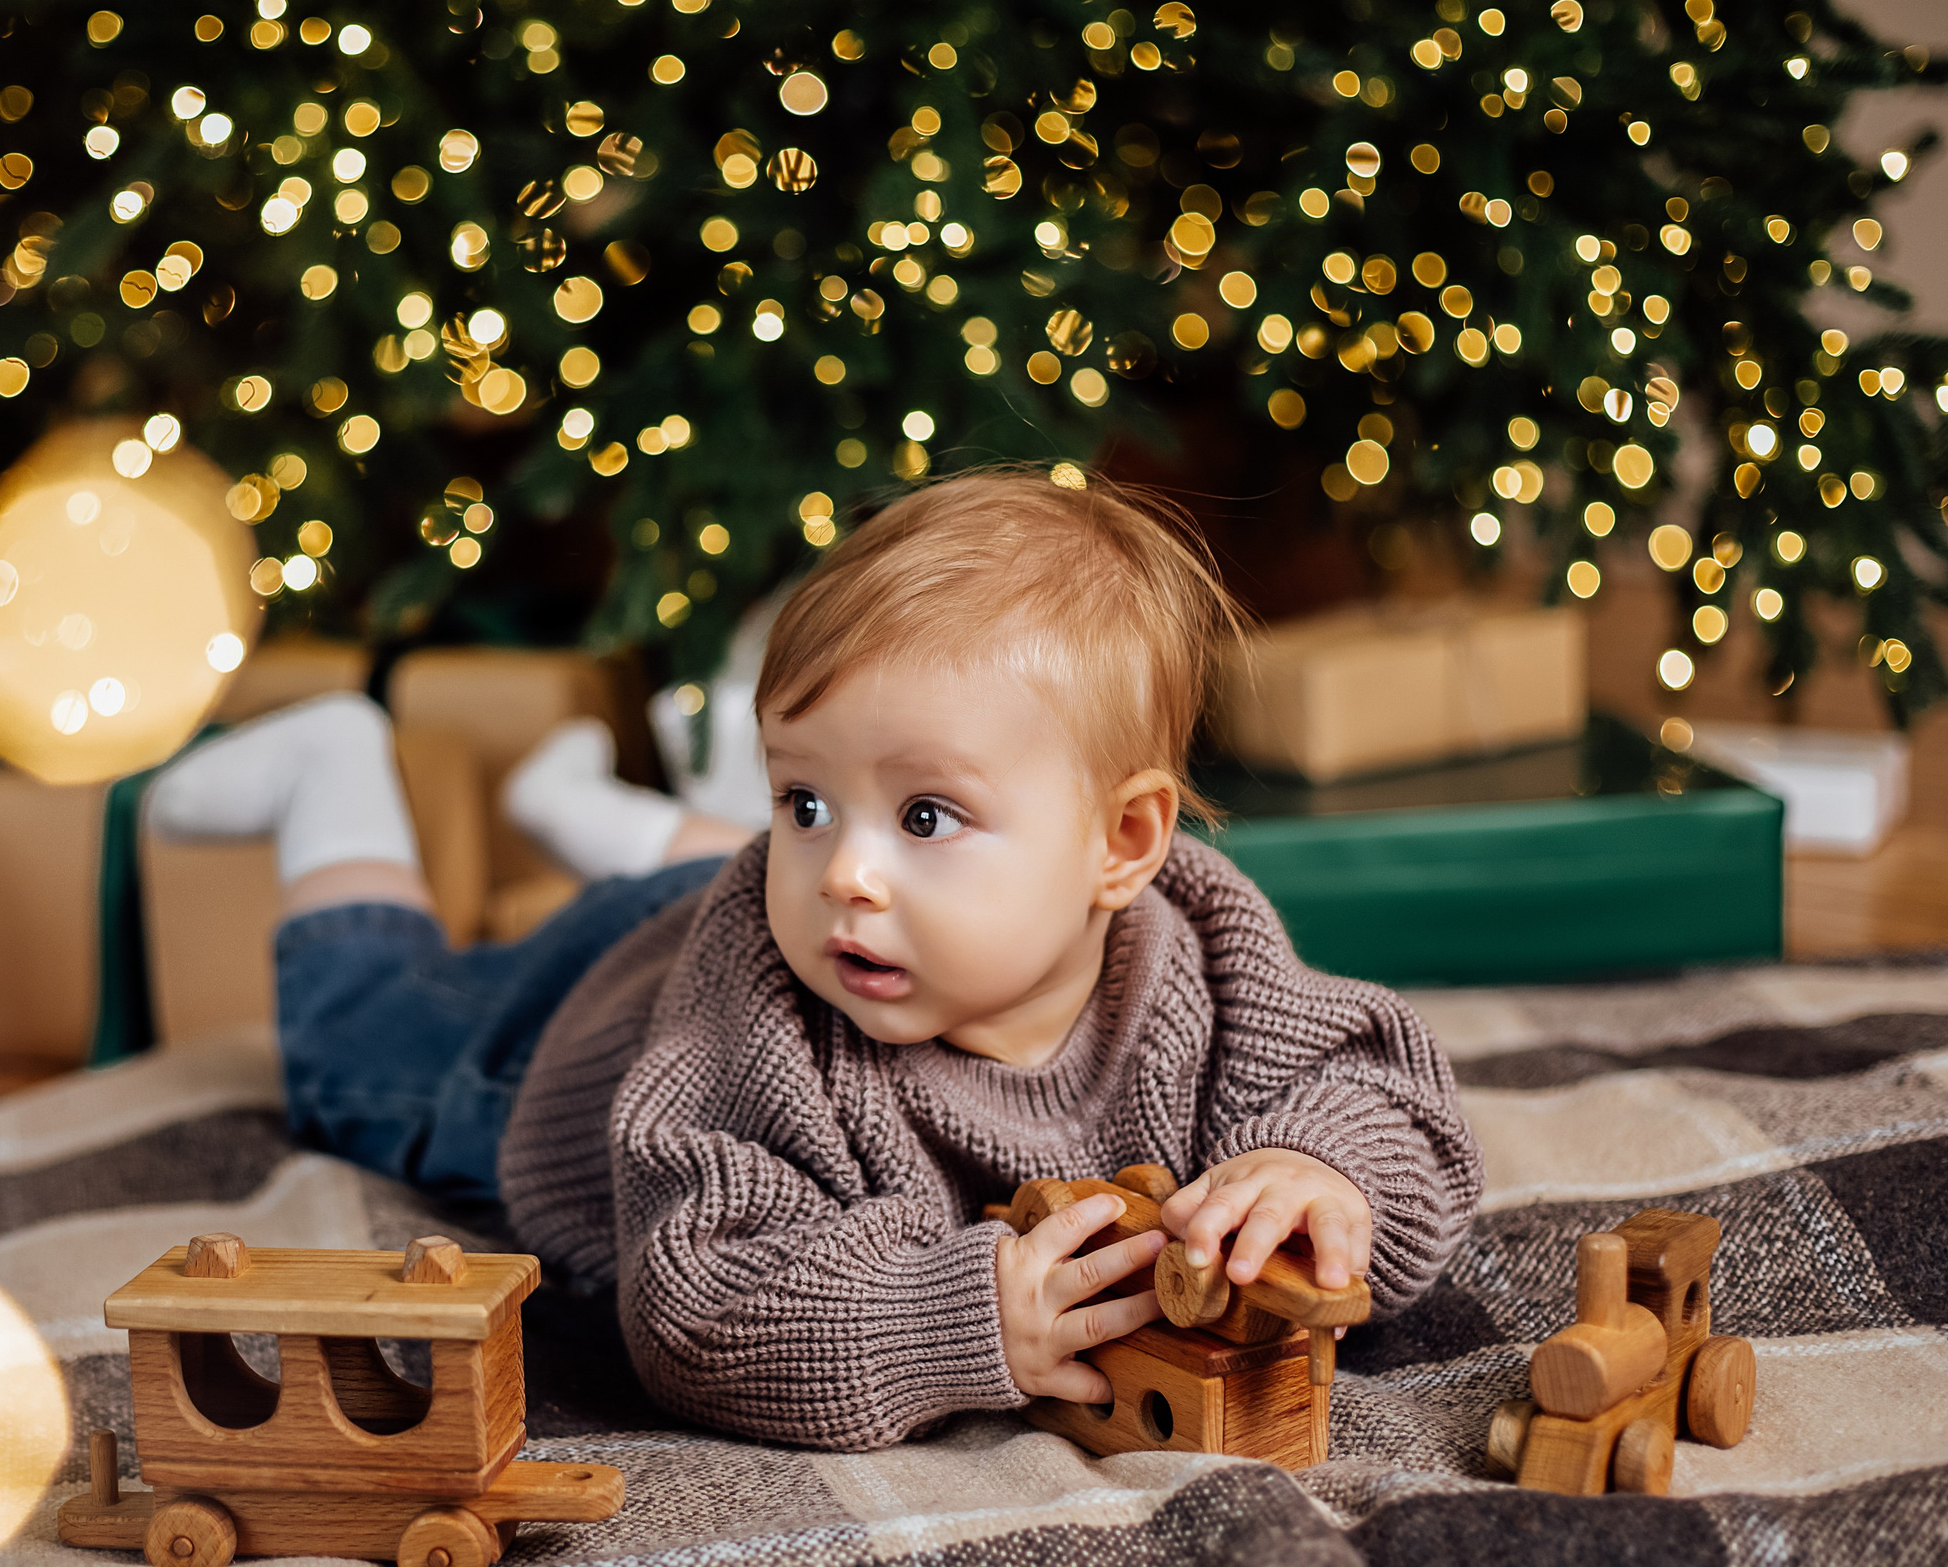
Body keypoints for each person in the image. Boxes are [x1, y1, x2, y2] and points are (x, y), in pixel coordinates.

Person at [146, 465, 1480, 1451]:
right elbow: (697, 1311)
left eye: (930, 814)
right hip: (562, 1033)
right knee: (361, 1048)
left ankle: (612, 815)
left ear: (1120, 844)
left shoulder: (1203, 957)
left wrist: (1319, 1174)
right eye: (803, 797)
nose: (847, 864)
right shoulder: (764, 1034)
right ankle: (337, 768)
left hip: (721, 898)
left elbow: (1386, 1093)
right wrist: (955, 1323)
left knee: (765, 878)